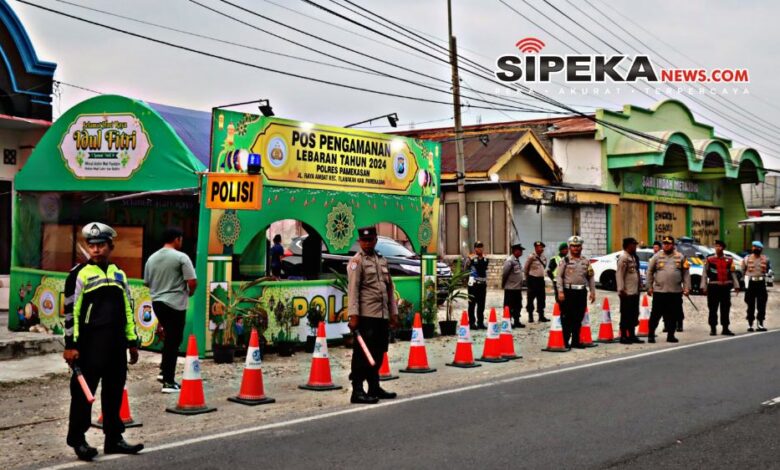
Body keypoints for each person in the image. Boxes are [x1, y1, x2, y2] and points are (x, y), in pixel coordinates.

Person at [63, 222, 143, 461]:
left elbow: (128, 309)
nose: (96, 249)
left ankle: (114, 439)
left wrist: (132, 341)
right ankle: (78, 440)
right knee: (82, 396)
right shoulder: (78, 274)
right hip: (89, 346)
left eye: (100, 245)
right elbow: (70, 312)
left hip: (116, 345)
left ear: (110, 246)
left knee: (114, 393)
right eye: (91, 245)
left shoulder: (119, 274)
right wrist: (70, 345)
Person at [347, 226, 399, 404]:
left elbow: (389, 289)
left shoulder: (382, 260)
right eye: (364, 240)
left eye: (370, 240)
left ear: (376, 240)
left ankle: (374, 387)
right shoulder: (357, 262)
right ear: (360, 241)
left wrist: (393, 312)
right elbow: (353, 290)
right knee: (362, 355)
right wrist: (353, 315)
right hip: (366, 316)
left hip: (381, 315)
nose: (367, 243)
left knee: (378, 352)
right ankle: (357, 391)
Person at [144, 227, 197, 393]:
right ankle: (168, 381)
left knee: (169, 339)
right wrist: (189, 293)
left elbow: (147, 282)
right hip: (175, 304)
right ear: (177, 239)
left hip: (158, 303)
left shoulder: (151, 258)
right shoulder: (181, 257)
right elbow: (192, 281)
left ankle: (164, 371)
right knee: (174, 341)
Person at [646, 236, 690, 343]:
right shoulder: (657, 256)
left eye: (668, 243)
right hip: (660, 291)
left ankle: (671, 335)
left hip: (675, 292)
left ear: (673, 245)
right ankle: (651, 334)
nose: (666, 245)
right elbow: (650, 272)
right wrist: (649, 286)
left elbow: (686, 274)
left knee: (673, 315)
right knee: (655, 314)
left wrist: (687, 287)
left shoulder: (680, 257)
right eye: (664, 243)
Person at [555, 236, 596, 349]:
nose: (576, 248)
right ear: (569, 247)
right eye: (573, 246)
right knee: (567, 317)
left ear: (581, 247)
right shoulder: (565, 260)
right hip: (568, 292)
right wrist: (560, 292)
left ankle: (576, 341)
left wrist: (592, 291)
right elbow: (559, 277)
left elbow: (591, 277)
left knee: (579, 317)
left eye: (578, 246)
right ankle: (565, 341)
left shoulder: (585, 261)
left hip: (581, 292)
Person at [700, 240, 739, 336]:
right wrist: (703, 286)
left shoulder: (729, 259)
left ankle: (725, 328)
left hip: (725, 288)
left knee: (725, 308)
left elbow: (733, 273)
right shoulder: (709, 259)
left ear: (723, 248)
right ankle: (713, 328)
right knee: (713, 308)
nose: (717, 248)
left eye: (719, 246)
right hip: (713, 287)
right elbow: (704, 273)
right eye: (716, 246)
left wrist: (736, 285)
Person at [616, 237, 644, 344]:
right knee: (626, 315)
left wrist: (640, 284)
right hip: (626, 292)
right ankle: (623, 336)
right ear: (628, 246)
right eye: (634, 245)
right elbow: (619, 274)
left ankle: (632, 335)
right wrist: (621, 289)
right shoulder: (623, 258)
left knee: (633, 314)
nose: (635, 247)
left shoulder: (632, 257)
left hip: (634, 291)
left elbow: (635, 273)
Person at [742, 241, 769, 332]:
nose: (755, 249)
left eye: (758, 248)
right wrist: (746, 286)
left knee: (762, 304)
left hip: (761, 283)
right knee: (750, 305)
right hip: (751, 283)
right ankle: (750, 324)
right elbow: (743, 271)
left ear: (761, 249)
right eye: (754, 247)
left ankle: (760, 324)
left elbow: (768, 270)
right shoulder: (747, 258)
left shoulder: (765, 259)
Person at [466, 241, 489, 329]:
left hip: (482, 284)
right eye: (478, 247)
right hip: (473, 284)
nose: (480, 249)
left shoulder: (485, 258)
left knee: (481, 304)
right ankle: (472, 322)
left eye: (481, 247)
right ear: (475, 248)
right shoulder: (470, 258)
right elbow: (465, 268)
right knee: (472, 304)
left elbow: (485, 268)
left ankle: (480, 322)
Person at [502, 243, 525, 328]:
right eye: (520, 250)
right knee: (508, 306)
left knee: (518, 306)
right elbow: (505, 273)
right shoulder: (509, 260)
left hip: (517, 288)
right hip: (510, 288)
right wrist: (504, 284)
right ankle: (508, 322)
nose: (522, 252)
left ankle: (517, 321)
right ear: (516, 251)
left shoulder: (517, 260)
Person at [524, 241, 549, 323]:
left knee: (541, 298)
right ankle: (530, 316)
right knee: (530, 298)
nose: (540, 249)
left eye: (541, 247)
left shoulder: (544, 257)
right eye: (538, 247)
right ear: (535, 248)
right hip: (532, 279)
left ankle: (541, 316)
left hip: (541, 280)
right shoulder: (531, 257)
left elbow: (544, 266)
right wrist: (527, 278)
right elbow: (526, 268)